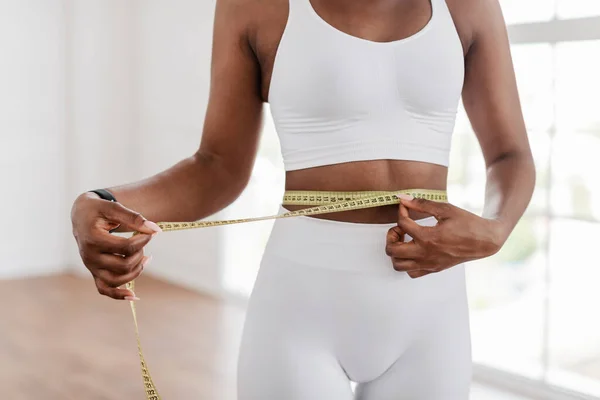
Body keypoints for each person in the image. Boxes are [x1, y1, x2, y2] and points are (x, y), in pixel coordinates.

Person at [71, 0, 535, 398]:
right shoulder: (256, 6)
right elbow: (218, 168)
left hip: (432, 309)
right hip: (302, 308)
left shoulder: (467, 7)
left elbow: (510, 154)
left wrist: (495, 229)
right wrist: (102, 201)